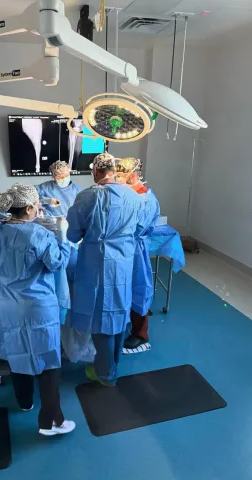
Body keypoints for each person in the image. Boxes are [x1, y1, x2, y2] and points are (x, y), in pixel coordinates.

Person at [0, 184, 75, 436]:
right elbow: (58, 263)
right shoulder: (38, 234)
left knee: (17, 352)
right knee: (48, 361)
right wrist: (63, 235)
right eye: (35, 207)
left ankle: (25, 402)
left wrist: (35, 204)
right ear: (28, 208)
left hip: (5, 304)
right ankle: (51, 421)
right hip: (36, 306)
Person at [66, 153, 146, 387]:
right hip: (123, 261)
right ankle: (115, 361)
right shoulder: (133, 196)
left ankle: (106, 374)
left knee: (100, 317)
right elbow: (140, 227)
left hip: (97, 262)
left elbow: (72, 234)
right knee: (119, 309)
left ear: (96, 171)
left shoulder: (87, 196)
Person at [116, 158, 160, 352]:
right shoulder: (130, 195)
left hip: (135, 250)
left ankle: (140, 335)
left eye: (120, 178)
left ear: (132, 176)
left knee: (139, 289)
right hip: (123, 249)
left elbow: (135, 228)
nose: (117, 182)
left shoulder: (145, 199)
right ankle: (125, 324)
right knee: (123, 288)